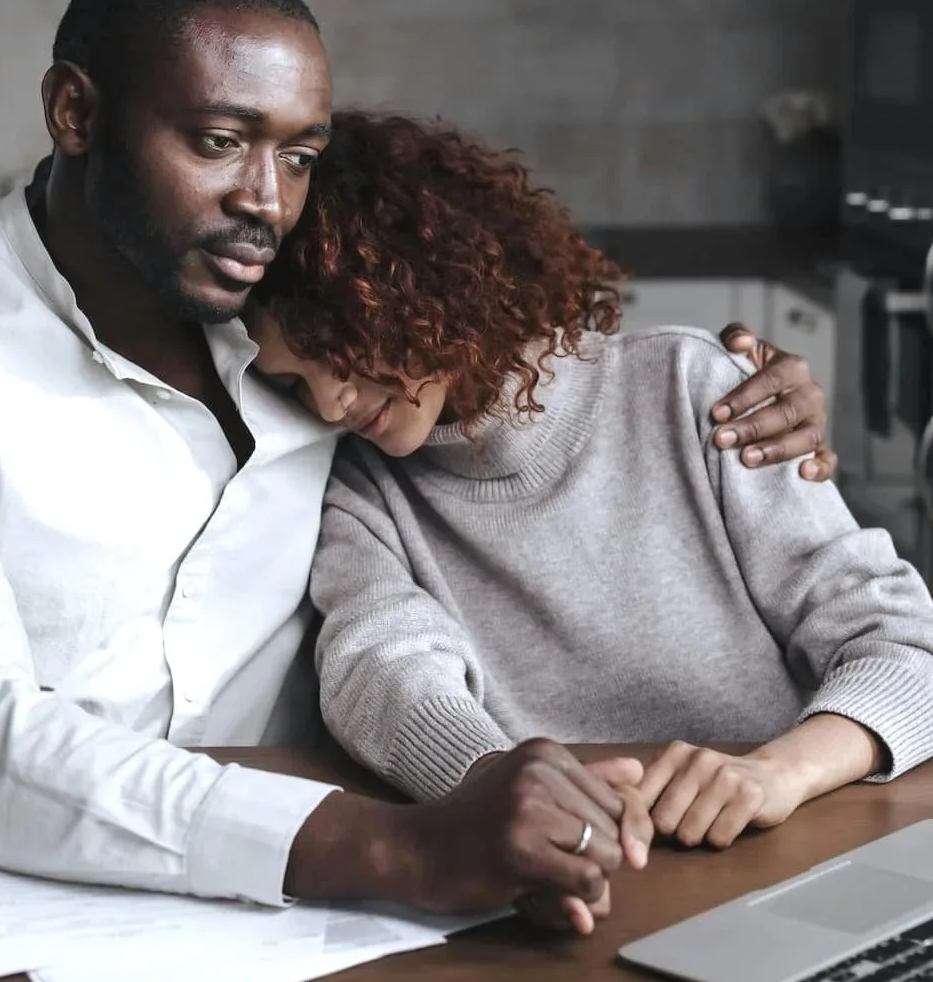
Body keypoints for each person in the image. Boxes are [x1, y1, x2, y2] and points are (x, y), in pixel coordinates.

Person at [0, 0, 831, 937]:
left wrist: (731, 394)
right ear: (76, 113)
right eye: (218, 141)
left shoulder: (307, 331)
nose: (266, 202)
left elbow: (523, 390)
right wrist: (406, 847)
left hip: (336, 929)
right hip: (18, 910)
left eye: (300, 155)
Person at [250, 109, 933, 852]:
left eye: (339, 350)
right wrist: (497, 790)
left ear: (423, 291)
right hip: (565, 870)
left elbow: (905, 644)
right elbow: (379, 668)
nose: (326, 404)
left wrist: (776, 774)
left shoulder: (693, 389)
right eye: (292, 384)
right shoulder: (360, 484)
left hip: (786, 843)